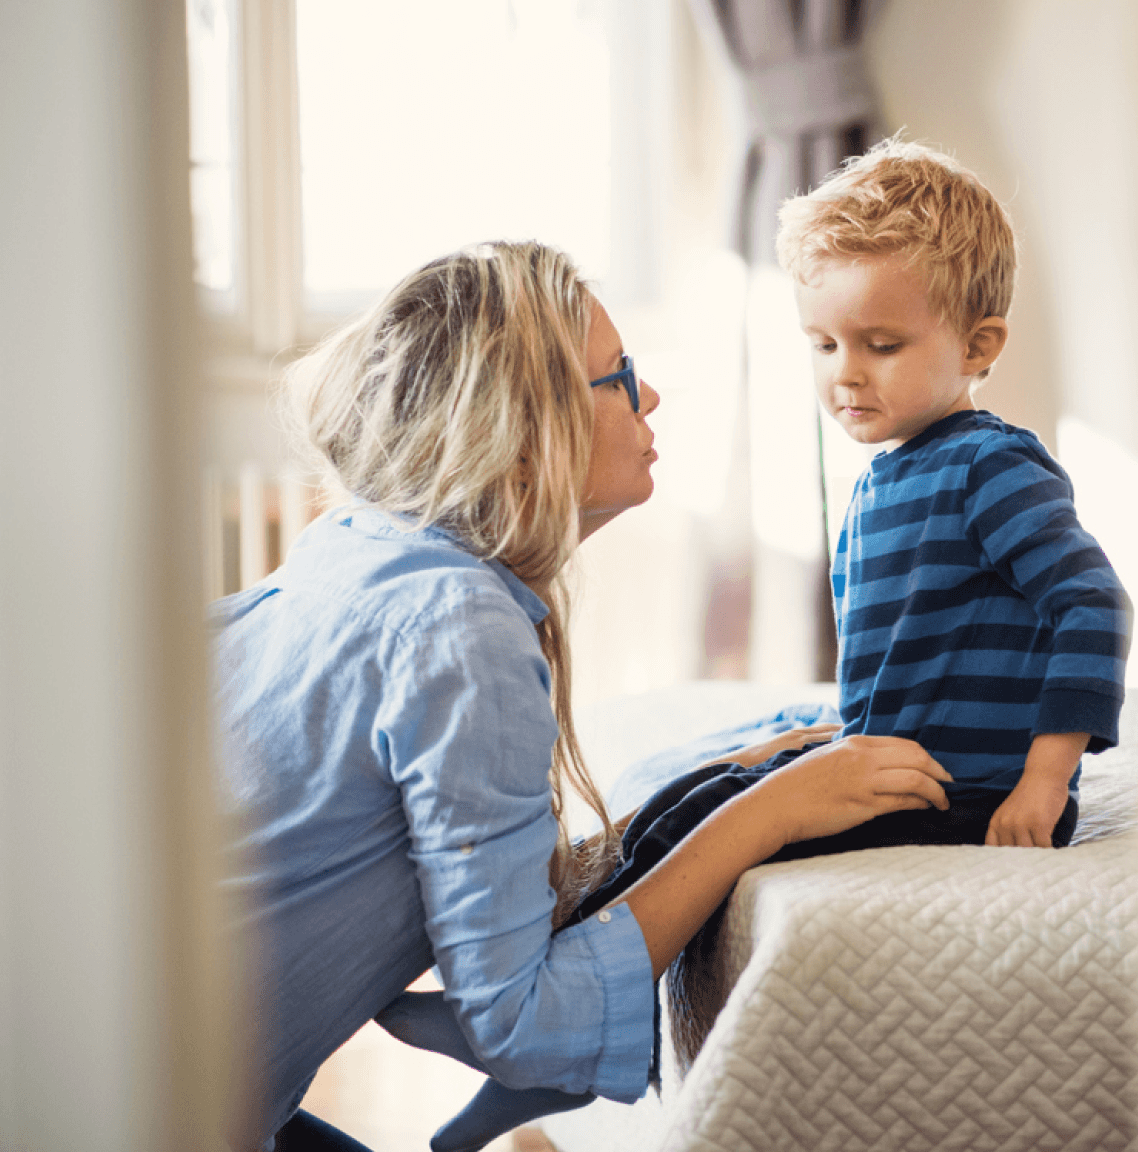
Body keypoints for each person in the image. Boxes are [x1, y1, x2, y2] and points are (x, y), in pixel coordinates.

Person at [410, 138, 1132, 1149]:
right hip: (895, 757)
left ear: (978, 347)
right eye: (824, 345)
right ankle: (535, 983)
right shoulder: (892, 472)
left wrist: (1045, 783)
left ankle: (539, 1059)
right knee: (691, 796)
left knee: (726, 836)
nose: (846, 376)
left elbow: (1092, 607)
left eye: (881, 344)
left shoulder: (990, 468)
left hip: (964, 789)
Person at [211, 240, 953, 1152]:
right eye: (619, 377)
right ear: (521, 441)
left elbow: (489, 879)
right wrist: (770, 814)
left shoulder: (358, 548)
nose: (649, 397)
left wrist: (720, 778)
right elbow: (518, 1020)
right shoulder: (459, 626)